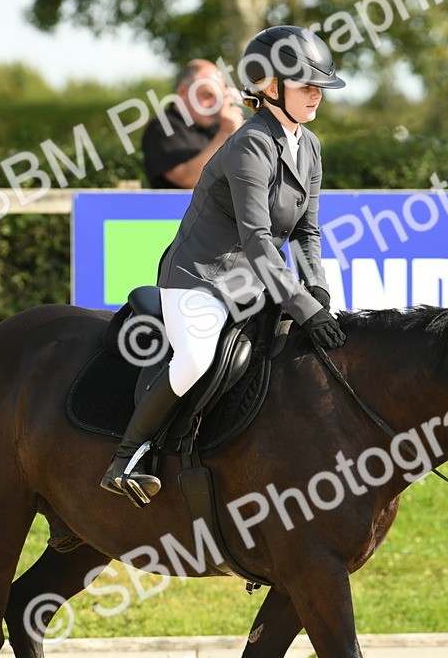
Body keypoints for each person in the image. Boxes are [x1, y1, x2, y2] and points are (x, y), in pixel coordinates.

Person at [102, 26, 348, 505]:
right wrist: (299, 303)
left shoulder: (310, 146)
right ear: (269, 86)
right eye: (305, 85)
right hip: (200, 279)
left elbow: (306, 231)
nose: (316, 94)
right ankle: (127, 457)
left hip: (251, 284)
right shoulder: (250, 145)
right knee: (196, 358)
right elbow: (257, 240)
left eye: (320, 85)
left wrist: (316, 290)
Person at [141, 59, 245, 189]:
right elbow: (188, 180)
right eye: (207, 95)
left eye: (220, 97)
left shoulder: (219, 126)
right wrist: (225, 134)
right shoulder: (162, 127)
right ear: (183, 93)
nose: (215, 105)